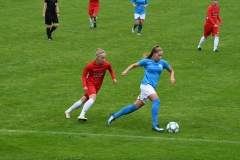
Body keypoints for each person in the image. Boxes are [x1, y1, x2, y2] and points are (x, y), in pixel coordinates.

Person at [107, 45, 175, 132]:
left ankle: (114, 116)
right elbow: (134, 65)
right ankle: (155, 125)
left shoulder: (163, 63)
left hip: (151, 88)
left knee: (134, 107)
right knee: (156, 101)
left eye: (161, 55)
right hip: (146, 85)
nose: (160, 57)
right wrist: (125, 71)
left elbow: (171, 70)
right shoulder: (147, 61)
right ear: (154, 54)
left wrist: (172, 77)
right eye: (159, 55)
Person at [65, 48, 117, 121]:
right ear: (97, 58)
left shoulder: (106, 64)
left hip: (97, 86)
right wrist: (85, 86)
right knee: (92, 99)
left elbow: (111, 70)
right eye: (102, 58)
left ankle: (68, 111)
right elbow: (83, 76)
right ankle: (82, 115)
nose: (104, 60)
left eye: (105, 58)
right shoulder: (90, 65)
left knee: (82, 101)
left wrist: (114, 78)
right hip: (90, 83)